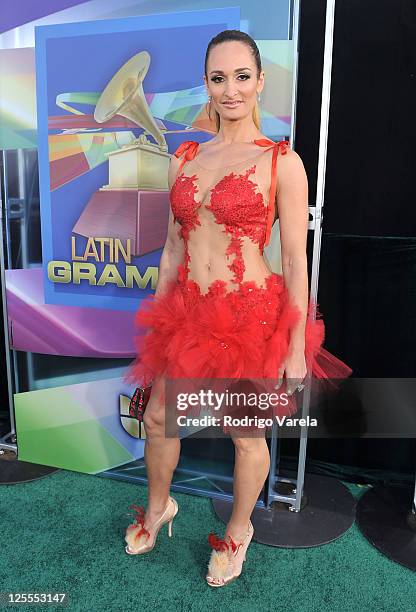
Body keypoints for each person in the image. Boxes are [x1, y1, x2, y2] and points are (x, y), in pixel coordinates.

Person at [123, 29, 352, 587]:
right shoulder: (186, 157)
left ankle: (238, 531)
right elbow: (174, 248)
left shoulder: (282, 163)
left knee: (244, 434)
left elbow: (296, 263)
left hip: (250, 319)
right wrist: (157, 326)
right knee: (157, 417)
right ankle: (159, 509)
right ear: (206, 83)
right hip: (186, 313)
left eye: (241, 77)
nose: (230, 90)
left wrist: (296, 345)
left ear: (260, 82)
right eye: (218, 78)